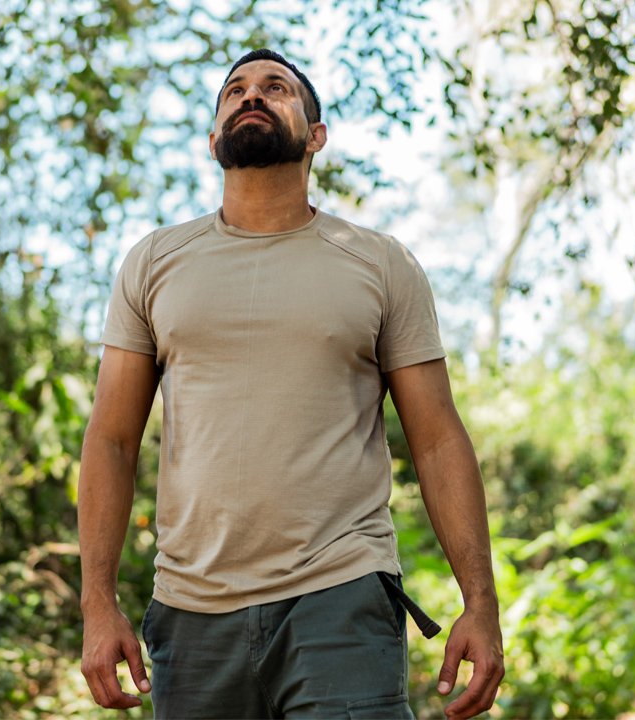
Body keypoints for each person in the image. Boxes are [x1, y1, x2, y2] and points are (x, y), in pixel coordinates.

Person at [77, 48, 504, 719]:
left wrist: (479, 602)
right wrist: (98, 604)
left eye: (275, 88)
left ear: (316, 135)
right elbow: (110, 439)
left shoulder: (381, 264)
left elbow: (438, 439)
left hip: (341, 598)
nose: (251, 95)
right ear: (214, 137)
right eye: (234, 91)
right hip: (191, 614)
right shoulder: (154, 263)